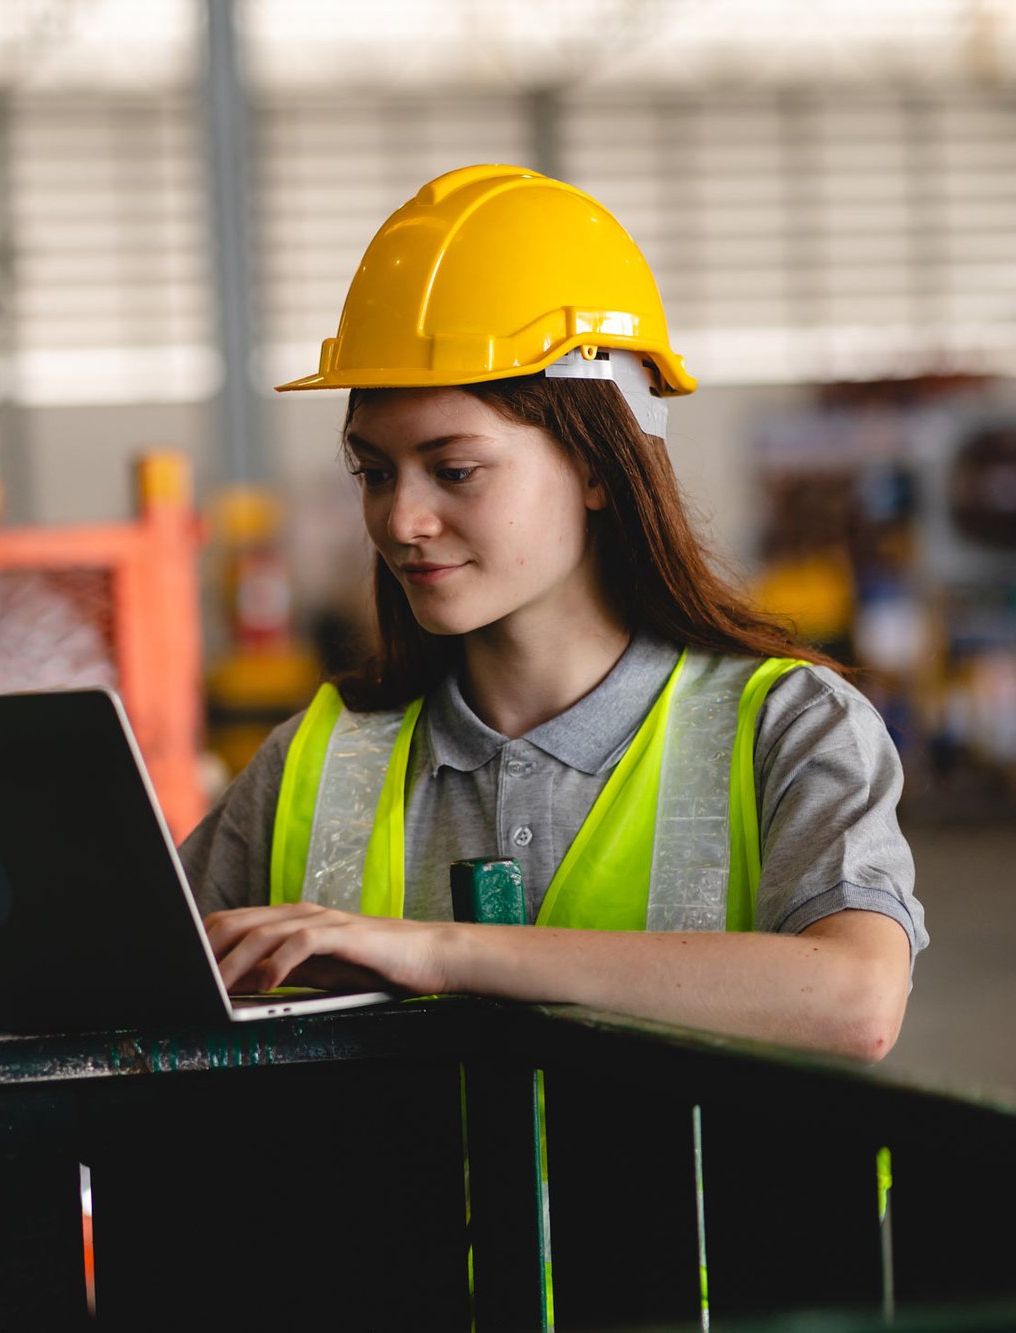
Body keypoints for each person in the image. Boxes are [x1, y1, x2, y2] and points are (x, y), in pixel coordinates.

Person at [178, 165, 924, 1063]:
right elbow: (128, 981)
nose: (401, 520)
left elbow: (854, 1000)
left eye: (454, 470)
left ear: (600, 467)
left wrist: (446, 953)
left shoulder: (788, 728)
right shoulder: (315, 763)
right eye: (375, 472)